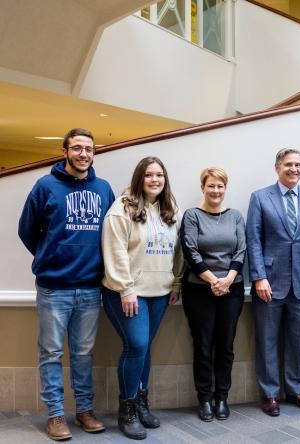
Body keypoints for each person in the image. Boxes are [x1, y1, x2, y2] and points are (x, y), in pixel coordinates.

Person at [18, 128, 114, 441]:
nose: (83, 154)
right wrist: (51, 255)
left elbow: (112, 234)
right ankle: (56, 414)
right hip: (53, 288)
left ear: (93, 153)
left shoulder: (103, 188)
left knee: (83, 354)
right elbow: (27, 231)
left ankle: (84, 410)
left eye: (88, 149)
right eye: (77, 148)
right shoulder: (45, 186)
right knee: (51, 353)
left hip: (89, 288)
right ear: (65, 152)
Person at [101, 156, 184, 440]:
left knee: (145, 347)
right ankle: (127, 411)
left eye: (159, 175)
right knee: (136, 345)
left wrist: (176, 281)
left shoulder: (169, 208)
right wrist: (125, 288)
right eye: (149, 175)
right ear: (140, 178)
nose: (155, 180)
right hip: (127, 293)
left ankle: (141, 402)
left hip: (159, 292)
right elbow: (115, 251)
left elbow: (177, 250)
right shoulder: (121, 209)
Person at [246, 147, 300, 417]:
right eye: (288, 164)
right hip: (269, 283)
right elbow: (254, 241)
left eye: (297, 165)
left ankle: (295, 390)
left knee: (297, 340)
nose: (293, 169)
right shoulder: (260, 198)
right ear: (277, 167)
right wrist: (259, 277)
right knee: (267, 341)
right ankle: (270, 394)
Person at [180, 167, 246, 422]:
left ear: (225, 188)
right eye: (211, 186)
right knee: (203, 345)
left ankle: (222, 397)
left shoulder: (235, 217)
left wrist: (227, 279)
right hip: (199, 290)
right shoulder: (193, 215)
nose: (216, 191)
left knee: (226, 346)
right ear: (202, 187)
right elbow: (191, 251)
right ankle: (204, 398)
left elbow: (241, 250)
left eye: (220, 186)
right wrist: (212, 280)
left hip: (232, 288)